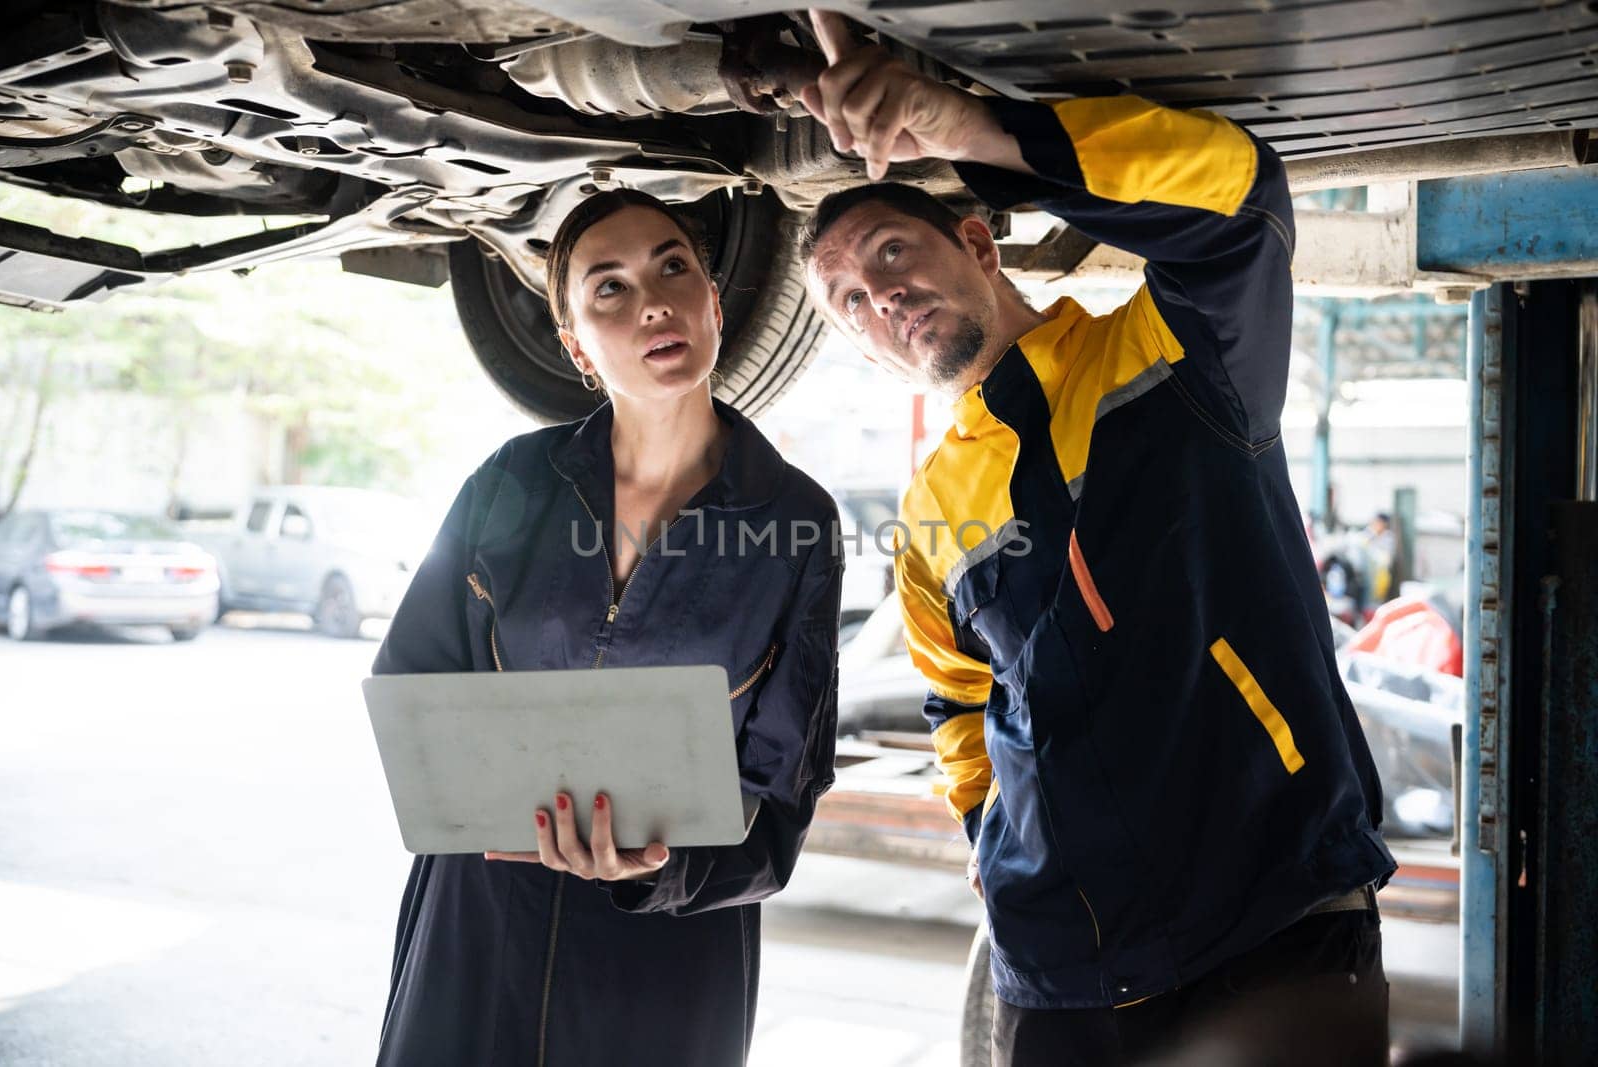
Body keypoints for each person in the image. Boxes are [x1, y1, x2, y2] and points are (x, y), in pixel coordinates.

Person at [797, 11, 1395, 1065]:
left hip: (1266, 908)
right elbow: (959, 702)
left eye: (892, 252)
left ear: (977, 243)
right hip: (1060, 961)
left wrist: (968, 127)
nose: (877, 295)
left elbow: (1238, 197)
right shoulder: (933, 509)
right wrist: (989, 840)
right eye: (847, 301)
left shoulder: (1169, 347)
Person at [370, 188, 844, 1066]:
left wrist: (662, 871)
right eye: (610, 289)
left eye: (673, 267)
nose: (653, 302)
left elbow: (782, 797)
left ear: (713, 299)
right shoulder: (513, 481)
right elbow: (414, 691)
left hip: (668, 953)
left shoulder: (796, 520)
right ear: (577, 347)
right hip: (482, 923)